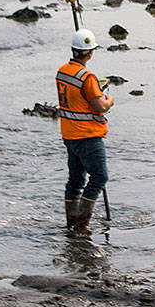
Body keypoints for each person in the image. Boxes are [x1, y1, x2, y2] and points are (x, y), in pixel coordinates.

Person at [56, 30, 113, 230]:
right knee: (99, 177)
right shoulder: (87, 77)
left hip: (69, 134)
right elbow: (100, 106)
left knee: (76, 179)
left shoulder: (62, 71)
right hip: (88, 135)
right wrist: (109, 99)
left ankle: (71, 222)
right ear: (89, 53)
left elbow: (76, 98)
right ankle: (81, 225)